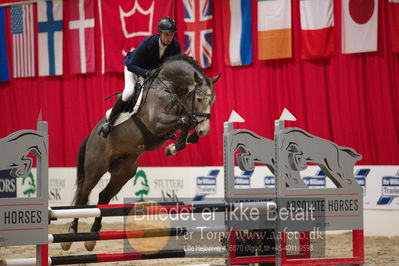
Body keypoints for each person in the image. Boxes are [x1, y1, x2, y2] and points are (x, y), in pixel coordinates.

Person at [98, 17, 181, 138]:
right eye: (166, 34)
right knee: (128, 93)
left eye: (172, 34)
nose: (169, 38)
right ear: (160, 33)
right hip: (134, 69)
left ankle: (168, 126)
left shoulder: (175, 46)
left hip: (153, 73)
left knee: (167, 93)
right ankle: (109, 123)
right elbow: (131, 65)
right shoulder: (148, 43)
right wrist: (146, 73)